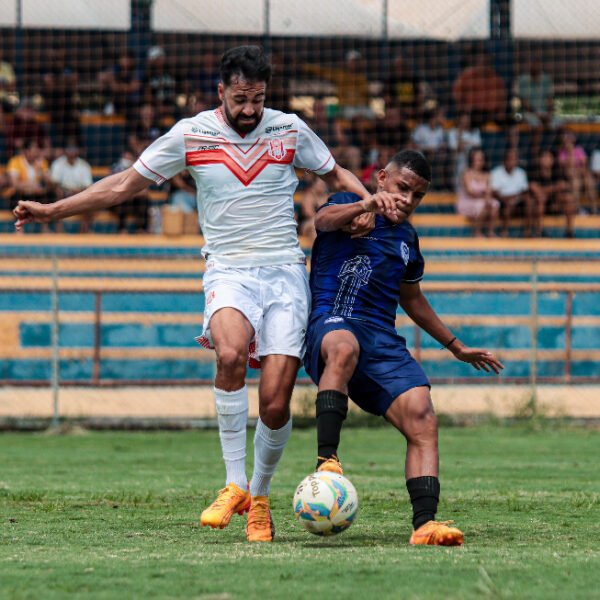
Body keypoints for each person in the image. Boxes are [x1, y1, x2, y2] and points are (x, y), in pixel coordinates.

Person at [14, 45, 378, 543]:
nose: (250, 109)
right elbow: (123, 186)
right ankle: (233, 483)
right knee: (228, 353)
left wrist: (366, 205)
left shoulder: (291, 129)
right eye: (241, 98)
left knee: (274, 405)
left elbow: (336, 175)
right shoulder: (191, 134)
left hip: (285, 274)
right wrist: (52, 212)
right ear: (222, 91)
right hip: (228, 270)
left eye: (259, 98)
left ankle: (260, 498)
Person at [303, 149, 504, 546]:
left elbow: (412, 300)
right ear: (381, 179)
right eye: (402, 188)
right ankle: (327, 462)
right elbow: (320, 222)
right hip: (334, 319)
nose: (408, 200)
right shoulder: (347, 204)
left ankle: (425, 524)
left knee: (422, 414)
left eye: (417, 196)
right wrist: (364, 205)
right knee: (342, 348)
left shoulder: (407, 240)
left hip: (380, 338)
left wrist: (456, 346)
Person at [529, 149, 576, 238]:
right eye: (544, 157)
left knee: (569, 198)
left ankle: (569, 231)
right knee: (540, 199)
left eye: (549, 157)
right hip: (540, 204)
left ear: (553, 160)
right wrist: (554, 188)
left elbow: (564, 186)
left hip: (555, 203)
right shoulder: (534, 172)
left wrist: (547, 191)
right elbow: (535, 189)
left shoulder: (557, 171)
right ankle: (539, 232)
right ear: (539, 159)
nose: (546, 160)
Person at [50, 141, 94, 233]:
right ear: (65, 151)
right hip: (63, 193)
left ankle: (83, 231)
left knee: (93, 201)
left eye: (73, 149)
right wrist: (65, 190)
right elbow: (54, 183)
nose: (71, 151)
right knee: (58, 192)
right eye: (69, 149)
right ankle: (59, 230)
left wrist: (78, 192)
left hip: (79, 194)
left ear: (78, 151)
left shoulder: (84, 165)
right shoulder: (57, 163)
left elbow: (88, 186)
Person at [456, 147, 499, 237]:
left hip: (482, 200)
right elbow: (470, 192)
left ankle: (490, 232)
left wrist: (487, 198)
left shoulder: (487, 174)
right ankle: (477, 232)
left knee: (495, 204)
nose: (478, 161)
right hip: (467, 202)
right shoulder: (466, 173)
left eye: (481, 159)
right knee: (483, 205)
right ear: (471, 160)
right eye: (476, 159)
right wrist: (485, 195)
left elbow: (489, 191)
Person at [490, 148, 533, 237]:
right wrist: (506, 200)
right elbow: (494, 192)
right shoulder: (496, 172)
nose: (513, 161)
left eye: (515, 159)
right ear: (505, 160)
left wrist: (515, 199)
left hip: (517, 202)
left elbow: (524, 191)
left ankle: (528, 231)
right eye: (510, 159)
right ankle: (504, 232)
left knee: (529, 201)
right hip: (502, 203)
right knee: (507, 206)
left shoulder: (521, 173)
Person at [557, 130, 597, 214]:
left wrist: (577, 170)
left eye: (569, 137)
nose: (567, 139)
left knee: (588, 181)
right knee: (575, 182)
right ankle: (577, 209)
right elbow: (565, 170)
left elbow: (584, 167)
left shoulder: (579, 150)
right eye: (565, 137)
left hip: (580, 175)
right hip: (569, 177)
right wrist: (570, 152)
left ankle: (594, 209)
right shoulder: (562, 153)